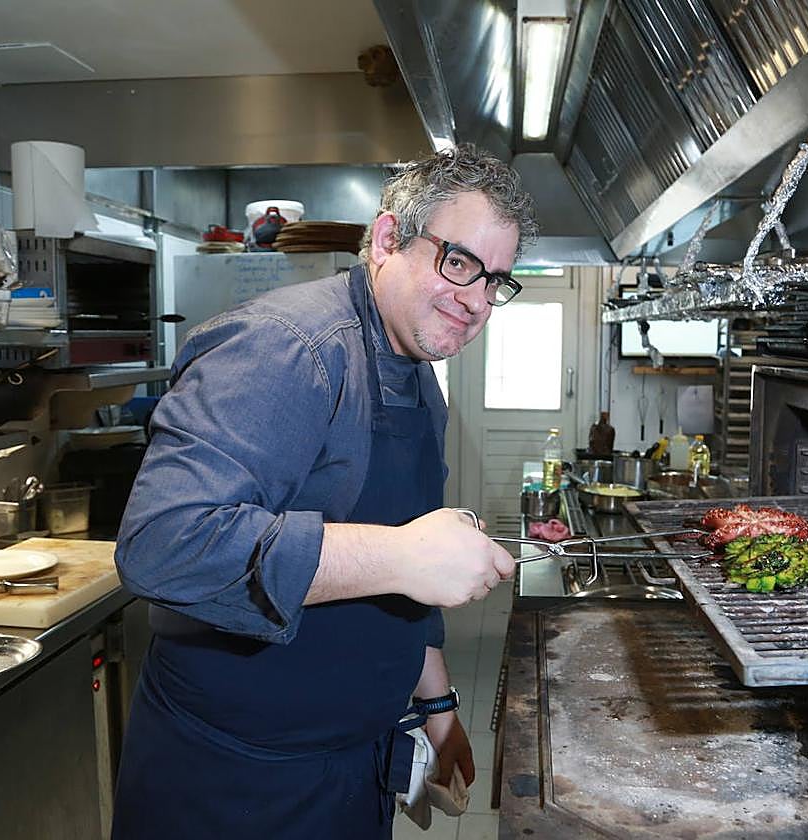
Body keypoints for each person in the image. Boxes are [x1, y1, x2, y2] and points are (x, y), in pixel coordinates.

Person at [111, 143, 539, 839]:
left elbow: (410, 567)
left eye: (496, 280)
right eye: (458, 262)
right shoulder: (288, 348)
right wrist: (398, 556)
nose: (476, 301)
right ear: (387, 239)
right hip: (236, 786)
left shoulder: (419, 377)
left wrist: (438, 706)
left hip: (351, 766)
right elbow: (163, 546)